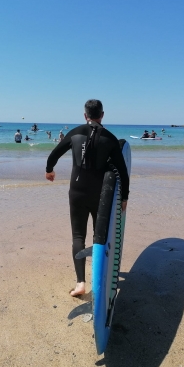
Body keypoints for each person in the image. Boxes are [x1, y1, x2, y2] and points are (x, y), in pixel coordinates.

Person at [45, 99, 130, 297]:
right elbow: (123, 172)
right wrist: (124, 197)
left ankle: (80, 283)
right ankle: (101, 278)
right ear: (102, 115)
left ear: (85, 115)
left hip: (76, 192)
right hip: (100, 195)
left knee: (78, 236)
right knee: (100, 235)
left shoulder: (75, 132)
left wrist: (49, 171)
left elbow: (54, 155)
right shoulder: (110, 138)